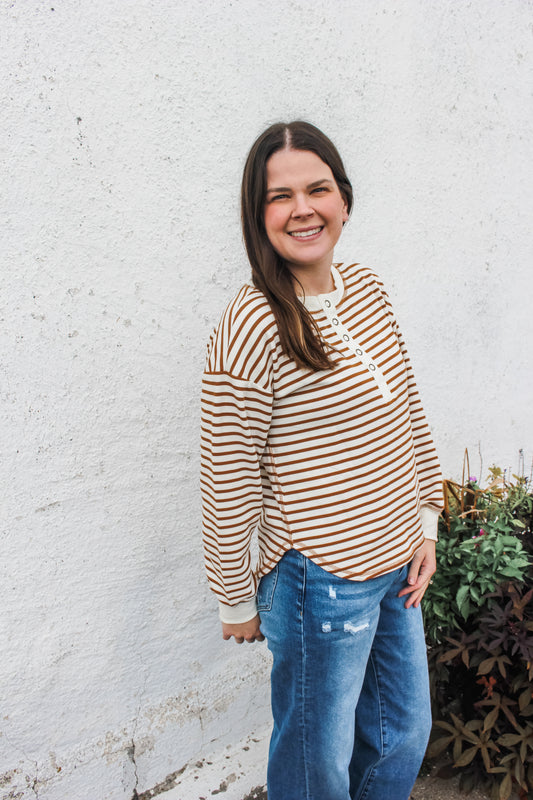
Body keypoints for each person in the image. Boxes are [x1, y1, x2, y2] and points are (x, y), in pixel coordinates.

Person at [201, 121, 443, 800]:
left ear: (343, 198)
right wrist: (231, 595)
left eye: (318, 188)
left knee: (399, 738)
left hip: (396, 565)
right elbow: (228, 475)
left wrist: (424, 519)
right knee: (315, 767)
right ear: (258, 215)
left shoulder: (367, 287)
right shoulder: (251, 324)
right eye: (280, 196)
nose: (302, 208)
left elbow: (405, 410)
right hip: (317, 581)